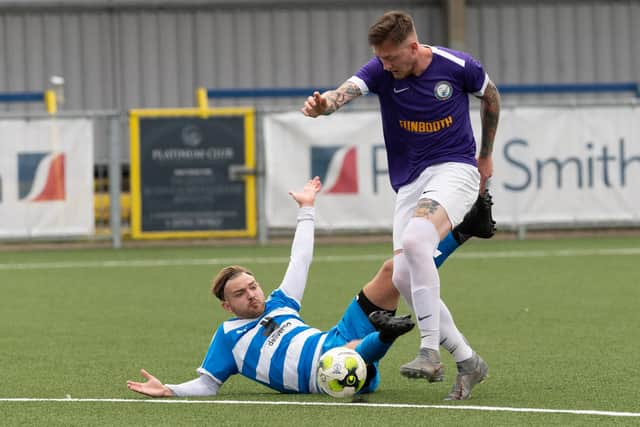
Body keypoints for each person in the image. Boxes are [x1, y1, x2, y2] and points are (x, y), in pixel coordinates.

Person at [301, 10, 500, 400]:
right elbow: (347, 91)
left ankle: (429, 351)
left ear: (413, 46)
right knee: (403, 278)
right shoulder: (381, 70)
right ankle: (468, 360)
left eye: (391, 57)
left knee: (415, 243)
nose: (385, 64)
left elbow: (491, 97)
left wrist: (486, 155)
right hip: (410, 183)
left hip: (455, 169)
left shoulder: (457, 66)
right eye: (381, 58)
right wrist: (326, 105)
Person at [127, 177, 416, 398]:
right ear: (227, 307)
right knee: (345, 353)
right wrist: (169, 389)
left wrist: (306, 208)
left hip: (336, 336)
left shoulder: (281, 302)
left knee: (394, 269)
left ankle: (457, 232)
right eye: (240, 294)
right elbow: (207, 385)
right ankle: (384, 334)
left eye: (252, 286)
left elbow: (300, 259)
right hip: (325, 373)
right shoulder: (228, 337)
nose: (251, 294)